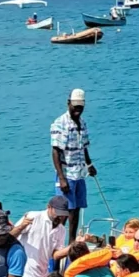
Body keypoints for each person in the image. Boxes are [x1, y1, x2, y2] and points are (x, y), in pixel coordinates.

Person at [10, 195, 71, 277]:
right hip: (25, 274)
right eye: (58, 213)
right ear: (49, 208)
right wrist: (21, 226)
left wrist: (72, 248)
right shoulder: (33, 216)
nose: (60, 217)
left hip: (42, 276)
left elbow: (55, 255)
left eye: (63, 215)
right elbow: (10, 236)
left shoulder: (61, 230)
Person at [51, 89, 97, 241]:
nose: (77, 110)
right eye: (75, 106)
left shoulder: (82, 124)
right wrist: (62, 178)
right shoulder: (59, 123)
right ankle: (55, 241)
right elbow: (56, 152)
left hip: (79, 173)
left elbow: (84, 147)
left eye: (80, 107)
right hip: (66, 174)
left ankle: (71, 242)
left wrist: (90, 165)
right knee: (64, 211)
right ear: (68, 103)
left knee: (76, 209)